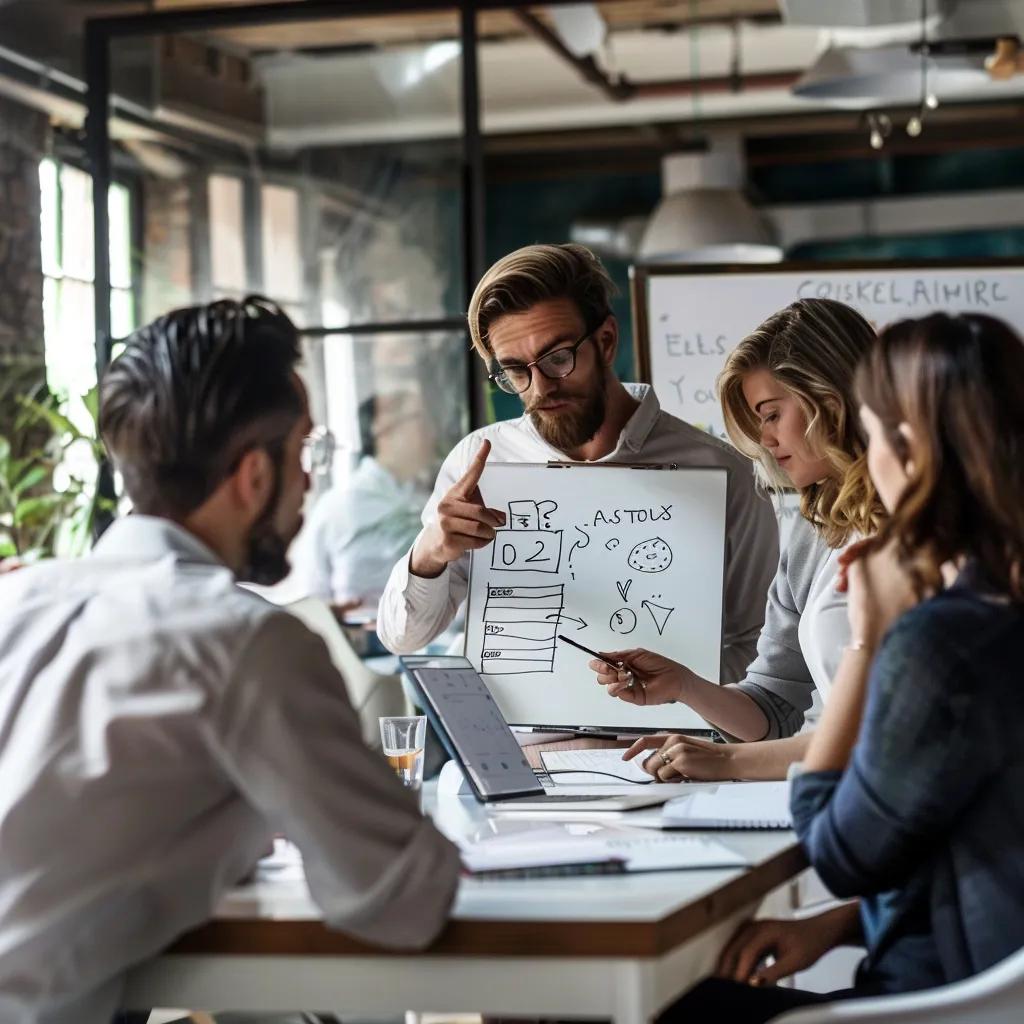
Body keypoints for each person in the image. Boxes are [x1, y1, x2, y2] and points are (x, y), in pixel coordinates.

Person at [0, 298, 461, 1024]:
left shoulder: (19, 600)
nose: (310, 484)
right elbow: (400, 900)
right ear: (252, 476)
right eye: (304, 454)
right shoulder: (247, 641)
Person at [661, 311, 1024, 1021]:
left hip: (938, 993)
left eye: (872, 421)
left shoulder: (942, 636)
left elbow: (834, 848)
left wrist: (869, 639)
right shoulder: (997, 600)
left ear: (907, 446)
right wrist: (839, 923)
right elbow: (969, 831)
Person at [377, 243, 779, 684]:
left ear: (606, 341)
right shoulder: (479, 464)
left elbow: (756, 645)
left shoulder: (723, 472)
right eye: (514, 371)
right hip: (514, 746)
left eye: (558, 358)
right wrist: (432, 550)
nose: (540, 388)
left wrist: (676, 699)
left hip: (663, 745)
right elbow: (403, 636)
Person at [597, 299, 884, 779]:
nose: (766, 440)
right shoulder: (814, 536)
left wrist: (727, 760)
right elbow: (772, 710)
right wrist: (685, 685)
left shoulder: (925, 528)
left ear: (829, 398)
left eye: (771, 414)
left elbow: (883, 734)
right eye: (758, 422)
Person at [289, 388, 435, 612]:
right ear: (383, 430)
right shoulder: (339, 507)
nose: (431, 432)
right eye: (418, 421)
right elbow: (312, 597)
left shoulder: (428, 501)